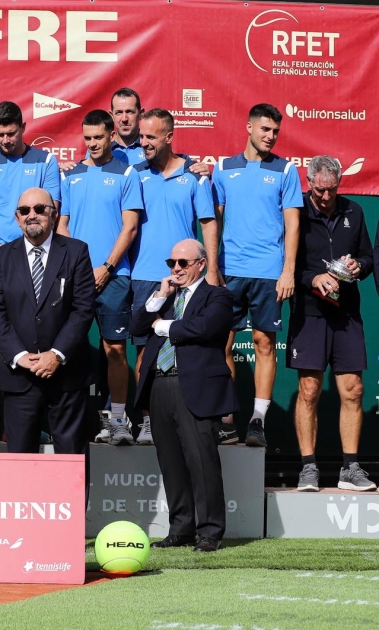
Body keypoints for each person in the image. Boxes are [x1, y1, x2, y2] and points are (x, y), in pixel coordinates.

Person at [0, 101, 62, 443]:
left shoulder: (45, 161)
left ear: (23, 128)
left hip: (35, 265)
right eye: (0, 134)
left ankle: (29, 424)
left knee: (32, 342)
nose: (5, 140)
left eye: (12, 133)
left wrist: (22, 252)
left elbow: (51, 212)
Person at [131, 239, 237, 553]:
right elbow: (136, 326)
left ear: (201, 264)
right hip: (159, 384)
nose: (175, 269)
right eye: (171, 263)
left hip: (195, 387)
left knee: (202, 461)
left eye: (182, 263)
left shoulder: (217, 296)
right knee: (171, 461)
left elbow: (204, 328)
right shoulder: (165, 298)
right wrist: (159, 297)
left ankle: (210, 531)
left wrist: (163, 326)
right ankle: (181, 529)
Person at [214, 104, 303, 447]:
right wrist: (212, 267)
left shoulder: (286, 170)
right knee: (222, 344)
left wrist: (288, 271)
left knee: (265, 344)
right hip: (229, 271)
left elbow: (293, 224)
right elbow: (213, 221)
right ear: (249, 127)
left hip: (268, 273)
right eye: (265, 129)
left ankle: (257, 421)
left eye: (275, 131)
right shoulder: (223, 168)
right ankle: (225, 420)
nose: (271, 136)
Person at [130, 109, 219, 445]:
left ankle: (190, 416)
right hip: (144, 276)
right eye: (142, 136)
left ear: (169, 137)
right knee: (145, 354)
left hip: (186, 277)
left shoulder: (195, 176)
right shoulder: (134, 173)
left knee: (189, 349)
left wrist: (211, 270)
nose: (143, 142)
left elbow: (208, 223)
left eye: (151, 137)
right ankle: (149, 421)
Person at [0, 187, 96, 455]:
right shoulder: (3, 256)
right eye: (24, 210)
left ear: (54, 214)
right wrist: (20, 356)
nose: (31, 215)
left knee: (72, 462)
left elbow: (83, 309)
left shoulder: (76, 251)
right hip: (20, 376)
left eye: (39, 209)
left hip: (67, 375)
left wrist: (56, 354)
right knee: (22, 464)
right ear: (17, 218)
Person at [288, 156, 374, 492]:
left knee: (353, 390)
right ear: (309, 183)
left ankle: (350, 468)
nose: (326, 197)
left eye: (332, 190)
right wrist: (313, 279)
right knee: (309, 389)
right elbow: (287, 264)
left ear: (339, 184)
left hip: (347, 313)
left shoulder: (354, 211)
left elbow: (368, 257)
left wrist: (358, 267)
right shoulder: (296, 212)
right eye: (320, 190)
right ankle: (308, 467)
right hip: (309, 312)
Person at [58, 109, 143, 445]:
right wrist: (80, 268)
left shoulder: (127, 174)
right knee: (67, 348)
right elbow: (62, 225)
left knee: (115, 349)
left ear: (111, 136)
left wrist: (106, 267)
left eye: (98, 137)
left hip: (115, 276)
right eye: (87, 138)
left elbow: (130, 227)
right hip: (76, 277)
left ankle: (118, 420)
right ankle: (69, 421)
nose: (92, 143)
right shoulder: (71, 175)